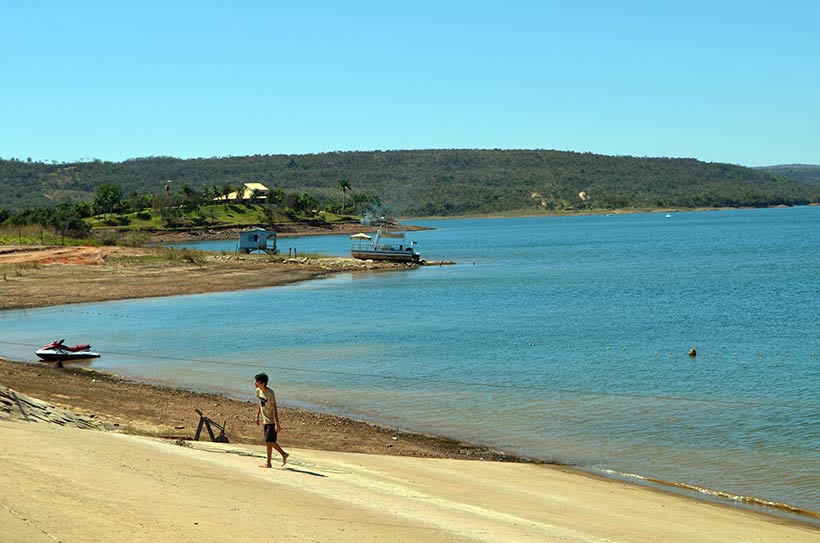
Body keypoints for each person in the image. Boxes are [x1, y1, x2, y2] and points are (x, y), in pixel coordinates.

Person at [254, 372, 289, 468]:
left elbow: (274, 408)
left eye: (257, 382)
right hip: (265, 420)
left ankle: (282, 454)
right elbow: (260, 404)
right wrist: (257, 416)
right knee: (268, 441)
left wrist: (277, 423)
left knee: (268, 440)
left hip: (271, 421)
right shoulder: (258, 391)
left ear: (263, 383)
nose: (255, 383)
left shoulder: (270, 393)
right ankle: (269, 462)